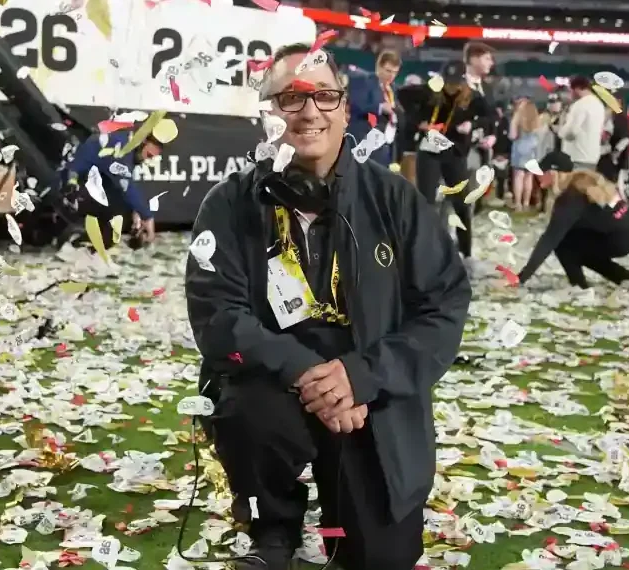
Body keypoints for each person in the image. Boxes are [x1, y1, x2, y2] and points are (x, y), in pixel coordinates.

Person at [184, 43, 472, 570]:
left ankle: (349, 516)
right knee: (251, 409)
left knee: (382, 558)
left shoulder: (395, 199)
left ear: (343, 107)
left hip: (369, 397)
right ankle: (273, 528)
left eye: (324, 96)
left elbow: (443, 305)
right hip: (274, 387)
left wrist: (361, 377)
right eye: (290, 98)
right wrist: (308, 374)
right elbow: (217, 317)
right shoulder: (229, 204)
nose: (309, 111)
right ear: (268, 112)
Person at [415, 42, 496, 261]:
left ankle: (465, 251)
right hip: (430, 150)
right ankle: (425, 249)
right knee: (427, 202)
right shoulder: (432, 93)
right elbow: (414, 114)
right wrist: (421, 124)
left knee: (462, 202)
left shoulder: (473, 96)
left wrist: (473, 124)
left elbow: (490, 117)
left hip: (456, 151)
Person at [517, 151, 629, 289]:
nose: (536, 175)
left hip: (620, 238)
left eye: (541, 171)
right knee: (575, 242)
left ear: (553, 173)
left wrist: (521, 278)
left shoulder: (571, 198)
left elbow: (549, 240)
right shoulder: (584, 181)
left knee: (563, 243)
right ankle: (625, 278)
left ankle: (580, 287)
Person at [61, 114, 176, 246]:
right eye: (150, 154)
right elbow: (127, 187)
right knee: (117, 214)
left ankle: (86, 240)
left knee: (119, 206)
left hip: (76, 181)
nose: (153, 156)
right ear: (144, 140)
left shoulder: (125, 140)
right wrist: (147, 217)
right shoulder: (121, 149)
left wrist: (136, 211)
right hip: (68, 185)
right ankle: (78, 239)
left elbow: (126, 184)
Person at [347, 50, 402, 167]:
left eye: (395, 72)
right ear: (379, 67)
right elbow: (357, 104)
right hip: (364, 138)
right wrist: (380, 107)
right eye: (388, 71)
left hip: (384, 143)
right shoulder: (364, 80)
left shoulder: (393, 89)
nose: (391, 76)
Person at [557, 76, 605, 171]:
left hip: (576, 157)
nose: (570, 93)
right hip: (592, 157)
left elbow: (571, 132)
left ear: (577, 88)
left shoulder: (579, 105)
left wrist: (560, 131)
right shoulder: (599, 105)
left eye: (570, 90)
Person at [509, 98, 540, 211]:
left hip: (520, 149)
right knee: (529, 177)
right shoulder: (537, 119)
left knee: (518, 176)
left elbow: (512, 135)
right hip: (533, 150)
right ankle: (526, 203)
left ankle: (518, 204)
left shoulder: (518, 117)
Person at [596, 94, 629, 188]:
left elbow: (626, 138)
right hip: (602, 155)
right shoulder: (603, 114)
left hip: (612, 157)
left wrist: (616, 152)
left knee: (609, 183)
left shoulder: (621, 118)